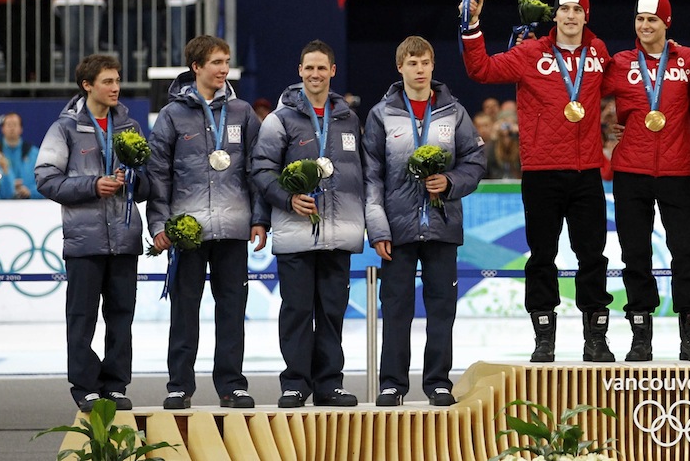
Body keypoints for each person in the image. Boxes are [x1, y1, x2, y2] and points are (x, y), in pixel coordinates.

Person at [461, 0, 616, 362]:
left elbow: (624, 86)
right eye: (564, 9)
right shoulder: (531, 53)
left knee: (592, 256)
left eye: (577, 9)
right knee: (542, 256)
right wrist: (471, 25)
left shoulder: (599, 53)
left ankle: (595, 338)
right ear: (556, 16)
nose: (570, 15)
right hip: (543, 172)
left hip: (586, 172)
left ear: (586, 17)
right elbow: (482, 69)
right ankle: (544, 336)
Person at [364, 36, 484, 407]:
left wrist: (450, 183)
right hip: (397, 232)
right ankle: (392, 384)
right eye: (412, 63)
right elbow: (372, 177)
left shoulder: (454, 113)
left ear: (433, 66)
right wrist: (378, 229)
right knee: (396, 309)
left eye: (425, 62)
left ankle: (438, 383)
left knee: (441, 310)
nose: (419, 69)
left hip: (442, 227)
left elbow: (476, 162)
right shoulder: (381, 114)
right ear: (400, 68)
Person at [148, 35, 266, 410]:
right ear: (196, 67)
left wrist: (259, 219)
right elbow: (158, 174)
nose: (223, 69)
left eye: (226, 61)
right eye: (215, 62)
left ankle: (232, 385)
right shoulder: (172, 115)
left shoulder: (243, 112)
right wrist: (159, 223)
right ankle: (179, 385)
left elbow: (257, 170)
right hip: (188, 230)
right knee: (185, 310)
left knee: (231, 310)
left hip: (232, 227)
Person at [251, 40, 366, 409]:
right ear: (299, 72)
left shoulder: (349, 118)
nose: (315, 74)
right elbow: (261, 170)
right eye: (308, 68)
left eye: (322, 68)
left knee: (331, 313)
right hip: (295, 232)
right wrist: (287, 199)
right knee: (298, 311)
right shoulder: (279, 119)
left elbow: (361, 174)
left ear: (333, 71)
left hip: (339, 233)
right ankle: (295, 383)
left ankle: (330, 383)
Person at [35, 54, 148, 412]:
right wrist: (91, 185)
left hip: (126, 238)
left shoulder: (130, 128)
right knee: (82, 318)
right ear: (87, 86)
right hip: (84, 241)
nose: (116, 88)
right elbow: (45, 179)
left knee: (121, 317)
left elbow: (148, 184)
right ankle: (85, 387)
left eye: (117, 81)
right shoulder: (64, 128)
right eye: (108, 82)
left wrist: (132, 180)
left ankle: (115, 385)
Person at [603, 0, 690, 361]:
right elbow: (585, 91)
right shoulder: (620, 63)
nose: (645, 26)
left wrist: (679, 133)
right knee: (635, 254)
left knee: (686, 253)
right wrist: (619, 128)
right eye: (640, 19)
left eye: (652, 19)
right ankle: (640, 335)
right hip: (631, 170)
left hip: (677, 170)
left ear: (667, 23)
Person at [0, 112, 41, 198]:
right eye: (9, 125)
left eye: (15, 125)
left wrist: (31, 192)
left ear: (21, 129)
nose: (12, 128)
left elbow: (47, 184)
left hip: (29, 205)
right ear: (2, 129)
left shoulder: (34, 153)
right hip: (0, 204)